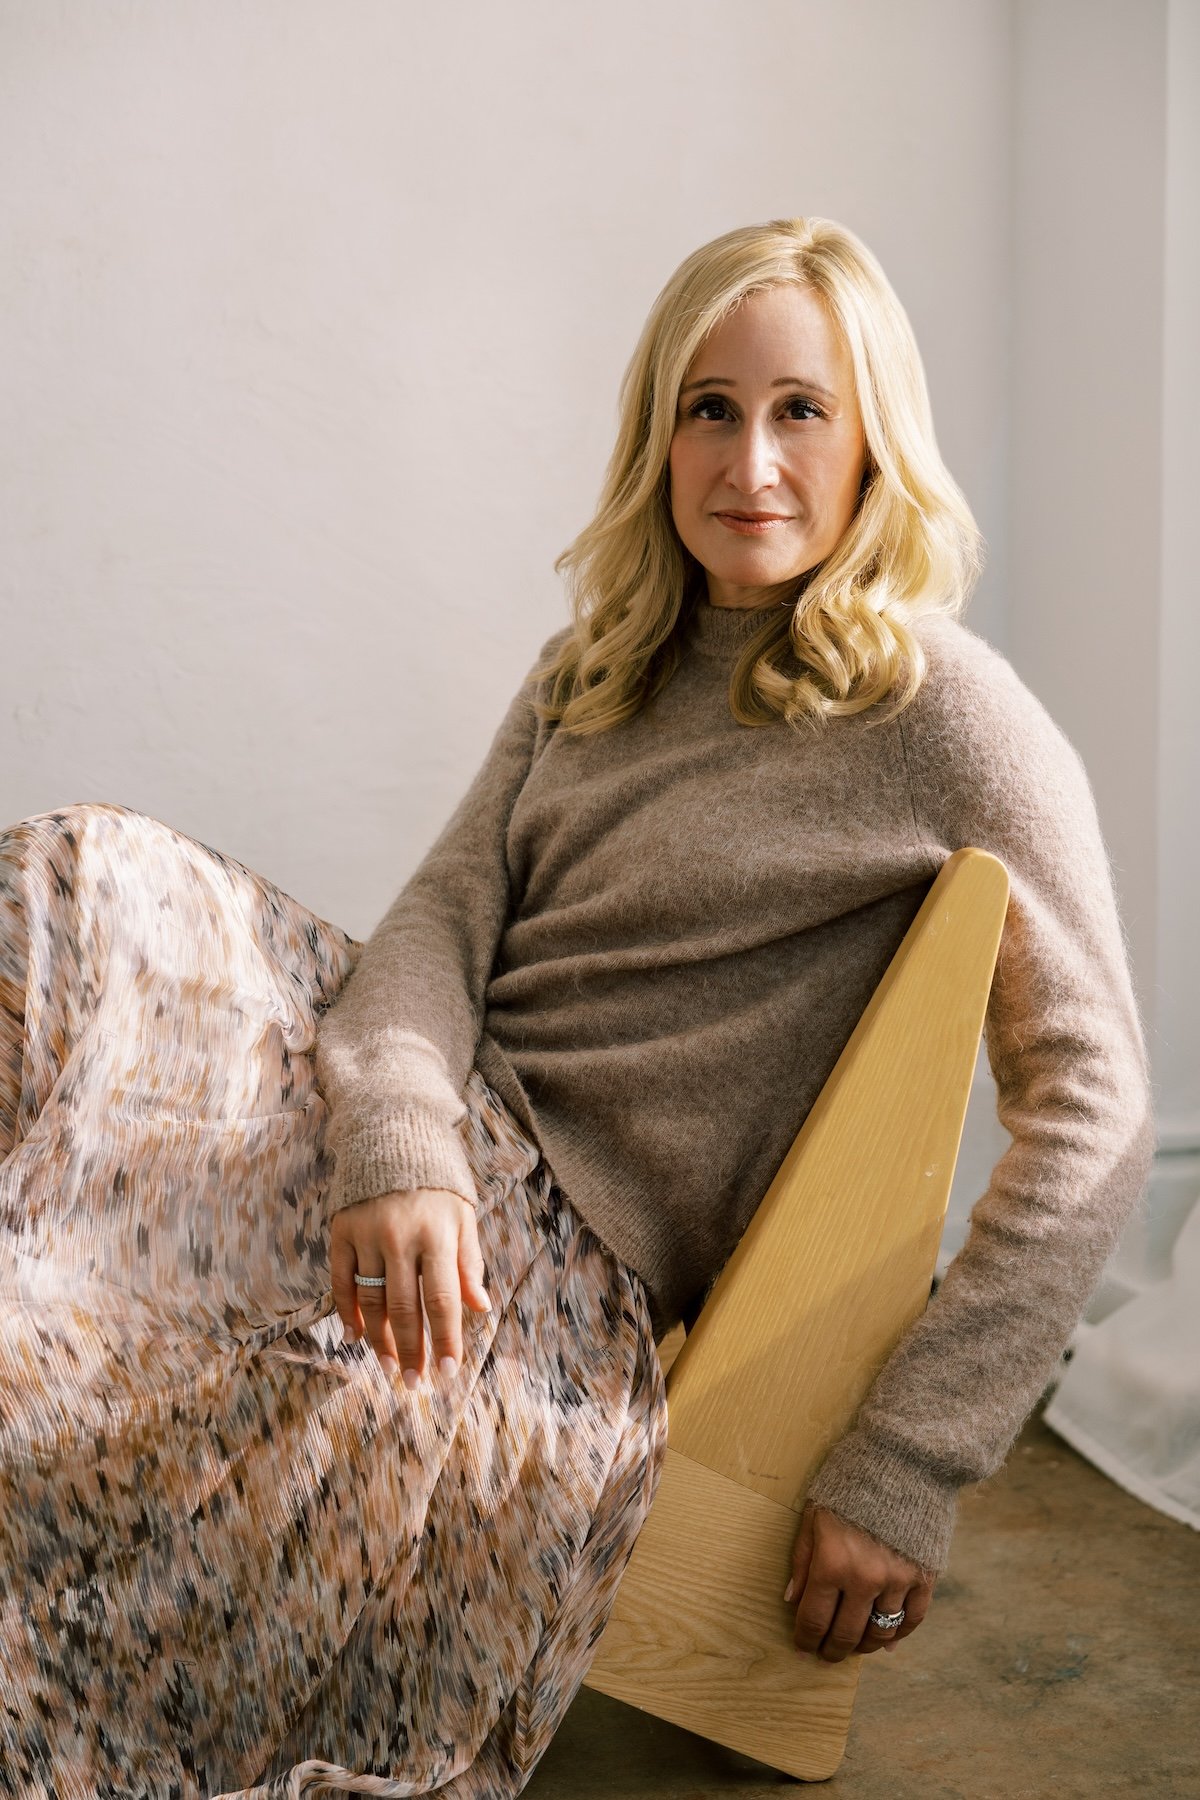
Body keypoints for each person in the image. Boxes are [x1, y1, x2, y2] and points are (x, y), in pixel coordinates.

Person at [0, 216, 1155, 1799]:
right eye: (709, 409)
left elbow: (1099, 1113)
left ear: (874, 438)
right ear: (656, 438)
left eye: (802, 410)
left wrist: (908, 1460)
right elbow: (435, 929)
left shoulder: (948, 714)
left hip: (555, 1259)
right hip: (425, 1142)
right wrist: (404, 1142)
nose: (751, 460)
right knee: (65, 885)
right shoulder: (592, 669)